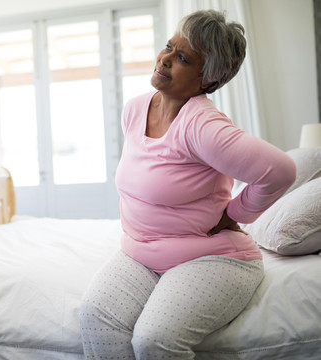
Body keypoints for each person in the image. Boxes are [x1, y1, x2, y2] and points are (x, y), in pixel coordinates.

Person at [79, 9, 296, 359]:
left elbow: (281, 171)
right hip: (140, 253)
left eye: (182, 58)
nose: (164, 59)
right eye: (168, 46)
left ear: (206, 80)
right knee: (96, 319)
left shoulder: (203, 127)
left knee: (153, 340)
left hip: (210, 257)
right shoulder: (135, 109)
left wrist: (235, 213)